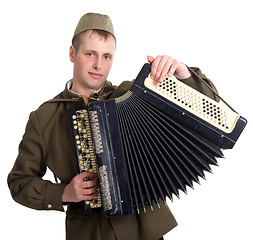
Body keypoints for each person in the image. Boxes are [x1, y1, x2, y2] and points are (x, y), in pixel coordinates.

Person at [7, 13, 219, 240]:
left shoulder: (135, 93)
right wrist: (64, 193)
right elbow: (19, 182)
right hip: (89, 234)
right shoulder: (43, 117)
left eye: (107, 56)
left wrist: (182, 73)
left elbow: (210, 108)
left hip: (146, 231)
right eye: (90, 54)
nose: (99, 64)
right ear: (72, 53)